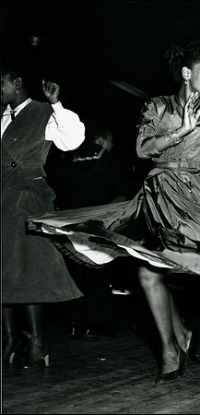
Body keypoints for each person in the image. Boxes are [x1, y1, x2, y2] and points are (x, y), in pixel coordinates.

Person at [29, 40, 200, 383]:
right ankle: (170, 347)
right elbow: (142, 149)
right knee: (148, 273)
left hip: (192, 201)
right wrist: (181, 130)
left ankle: (180, 335)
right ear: (186, 73)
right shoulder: (158, 106)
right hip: (156, 195)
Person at [1, 57, 85, 368]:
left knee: (28, 270)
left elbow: (73, 139)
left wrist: (57, 104)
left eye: (1, 83)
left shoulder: (43, 112)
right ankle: (9, 338)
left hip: (28, 201)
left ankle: (37, 341)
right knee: (3, 271)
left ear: (17, 82)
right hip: (1, 200)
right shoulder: (1, 118)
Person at [55, 124, 136, 337]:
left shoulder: (68, 159)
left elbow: (58, 191)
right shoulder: (108, 160)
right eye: (111, 141)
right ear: (101, 140)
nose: (112, 145)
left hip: (71, 224)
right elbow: (124, 192)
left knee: (76, 274)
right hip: (98, 223)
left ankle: (74, 324)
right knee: (99, 272)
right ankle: (94, 324)